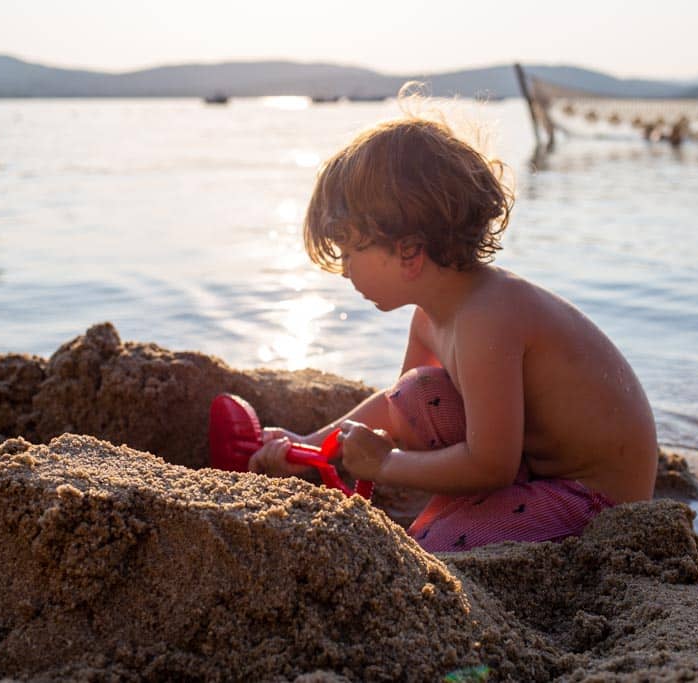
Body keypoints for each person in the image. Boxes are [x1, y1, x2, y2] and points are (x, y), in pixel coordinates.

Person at [248, 115, 658, 552]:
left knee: (433, 544)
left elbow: (490, 466)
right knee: (415, 393)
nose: (345, 270)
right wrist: (314, 445)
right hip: (531, 469)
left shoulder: (488, 317)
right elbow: (399, 409)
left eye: (350, 253)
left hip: (591, 499)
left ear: (408, 252)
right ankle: (470, 512)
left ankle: (460, 521)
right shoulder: (433, 314)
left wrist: (385, 464)